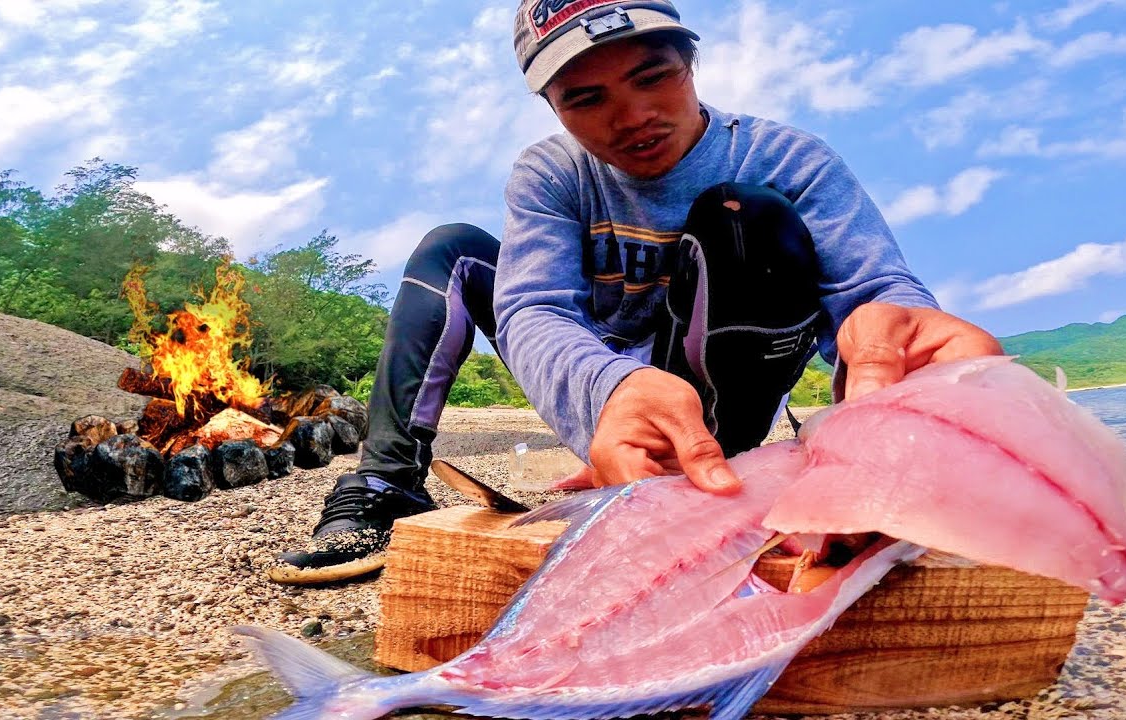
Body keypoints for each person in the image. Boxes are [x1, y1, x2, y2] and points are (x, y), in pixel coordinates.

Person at [268, 0, 1002, 585]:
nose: (631, 117)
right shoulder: (552, 175)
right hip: (606, 401)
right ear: (554, 108)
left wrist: (907, 383)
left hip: (714, 408)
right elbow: (535, 307)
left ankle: (739, 467)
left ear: (690, 62)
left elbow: (875, 295)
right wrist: (612, 390)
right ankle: (385, 484)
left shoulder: (787, 158)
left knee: (744, 213)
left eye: (653, 77)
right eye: (587, 98)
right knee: (451, 250)